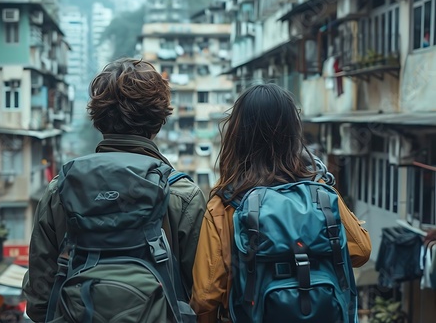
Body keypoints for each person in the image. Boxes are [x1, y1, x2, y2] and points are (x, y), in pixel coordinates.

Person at [22, 58, 206, 322]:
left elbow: (39, 302)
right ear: (159, 122)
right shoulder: (182, 195)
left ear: (98, 120)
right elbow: (203, 298)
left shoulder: (60, 191)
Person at [190, 83, 372, 322]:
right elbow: (361, 250)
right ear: (293, 133)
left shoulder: (225, 204)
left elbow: (205, 296)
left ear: (237, 135)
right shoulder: (321, 195)